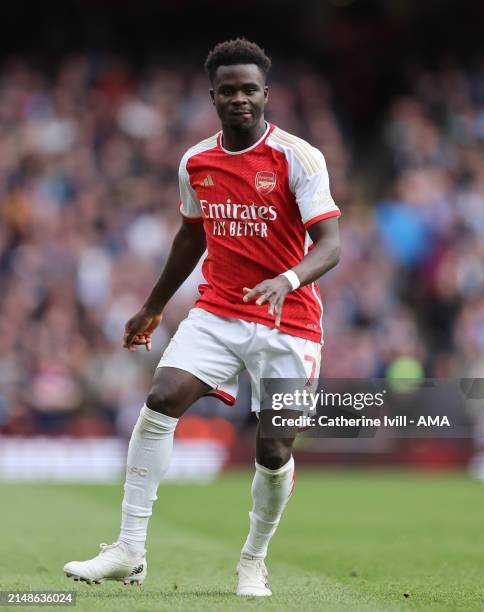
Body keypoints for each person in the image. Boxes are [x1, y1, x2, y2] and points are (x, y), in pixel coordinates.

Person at [63, 38, 341, 597]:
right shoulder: (196, 161)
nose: (239, 98)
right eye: (228, 91)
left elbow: (330, 243)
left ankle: (253, 560)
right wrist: (154, 305)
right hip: (217, 310)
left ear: (266, 94)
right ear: (213, 96)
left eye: (249, 90)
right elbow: (192, 236)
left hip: (289, 319)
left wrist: (286, 280)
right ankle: (129, 551)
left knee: (272, 449)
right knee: (162, 396)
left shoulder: (298, 157)